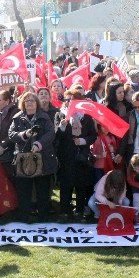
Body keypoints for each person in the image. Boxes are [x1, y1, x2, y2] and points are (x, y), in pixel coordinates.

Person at [4, 92, 56, 221]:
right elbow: (11, 134)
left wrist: (39, 144)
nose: (30, 103)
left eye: (32, 100)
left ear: (37, 103)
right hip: (23, 158)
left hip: (42, 158)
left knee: (42, 189)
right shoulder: (17, 117)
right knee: (24, 190)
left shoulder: (44, 117)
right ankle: (24, 216)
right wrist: (25, 134)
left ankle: (43, 216)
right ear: (23, 103)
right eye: (27, 101)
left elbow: (51, 133)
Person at [55, 89, 97, 219]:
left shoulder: (86, 117)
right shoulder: (60, 115)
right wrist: (62, 128)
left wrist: (83, 141)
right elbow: (56, 136)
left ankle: (79, 209)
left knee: (80, 185)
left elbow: (93, 135)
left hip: (81, 156)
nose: (70, 102)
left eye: (73, 100)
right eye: (68, 100)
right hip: (66, 155)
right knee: (65, 184)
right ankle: (64, 210)